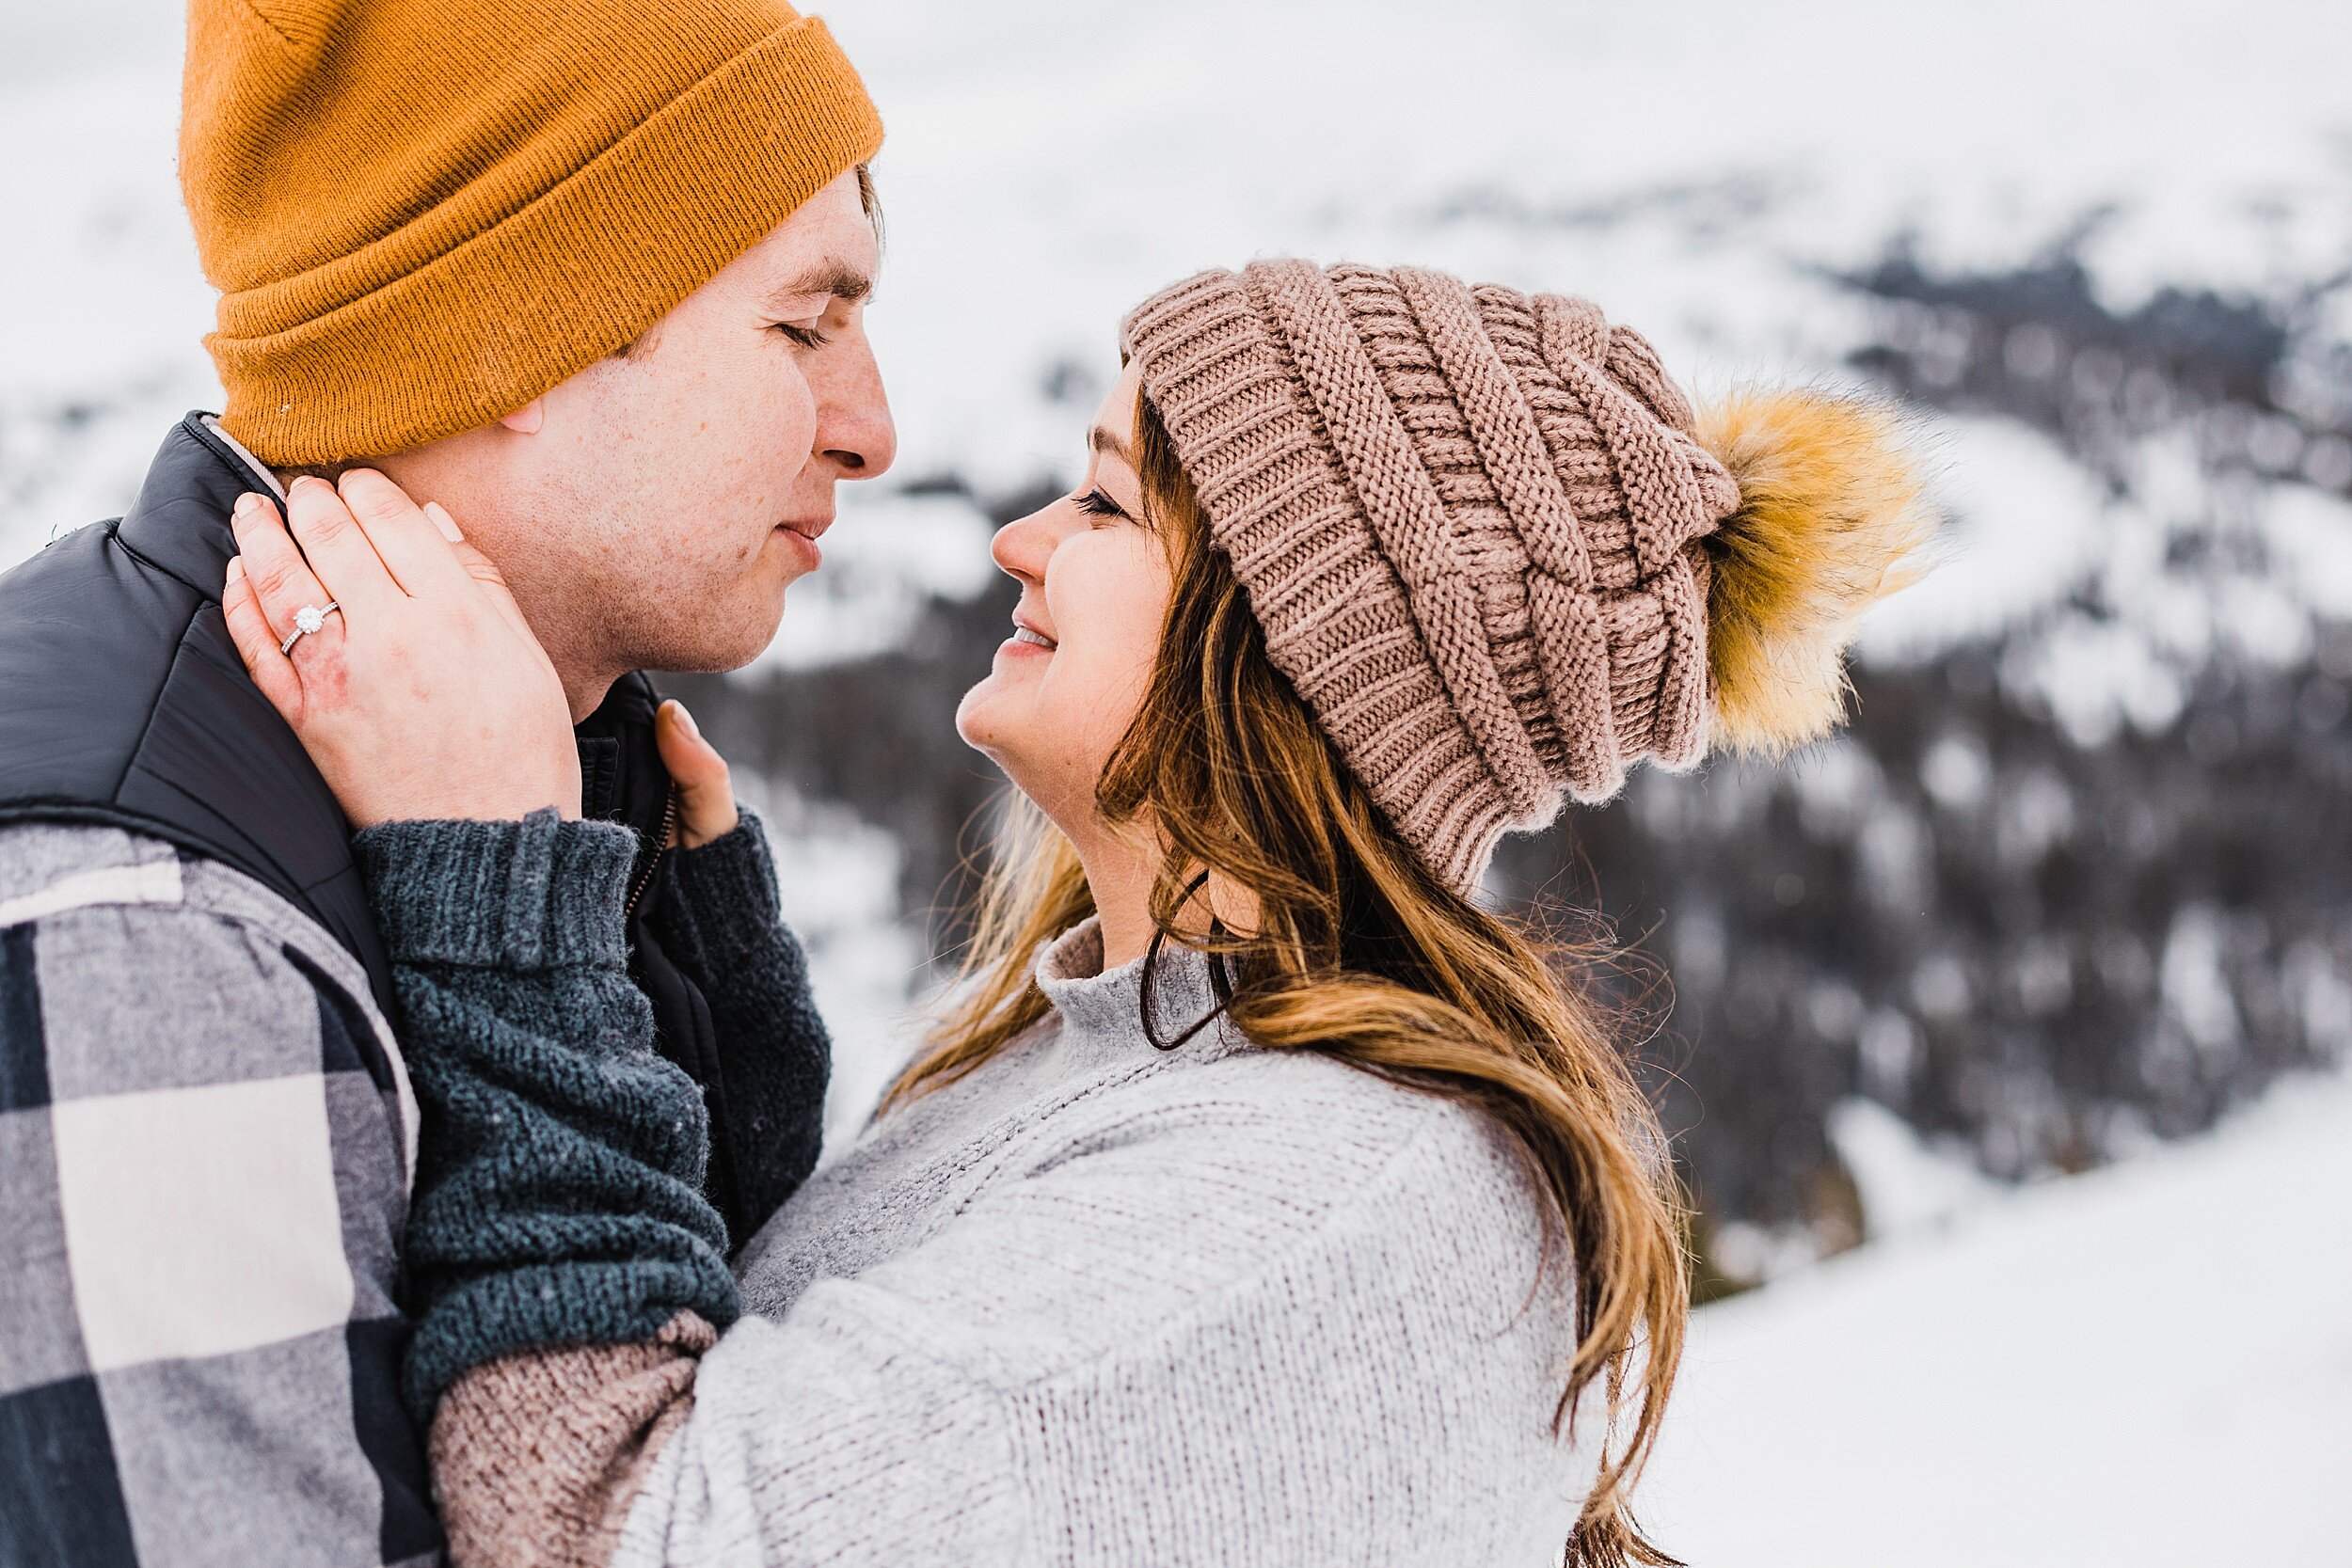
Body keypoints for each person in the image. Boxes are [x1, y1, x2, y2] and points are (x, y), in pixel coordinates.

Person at [222, 260, 1936, 1566]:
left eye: (1110, 503)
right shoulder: (1148, 1061)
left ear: (1288, 652)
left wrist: (509, 911)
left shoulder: (1305, 1214)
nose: (1023, 541)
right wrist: (714, 1028)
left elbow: (629, 1525)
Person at [0, 0, 891, 1561]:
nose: (873, 428)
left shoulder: (551, 773)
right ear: (520, 331)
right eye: (803, 325)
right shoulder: (146, 930)